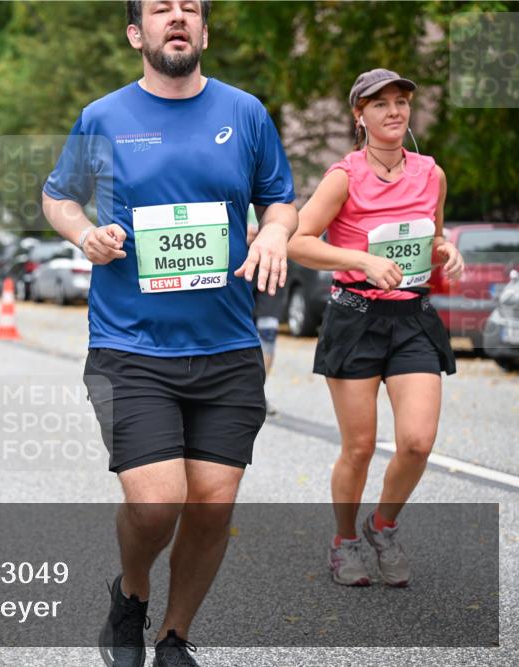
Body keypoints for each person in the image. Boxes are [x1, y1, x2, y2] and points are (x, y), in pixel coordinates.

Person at [41, 2, 297, 665]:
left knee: (212, 507)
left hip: (229, 348)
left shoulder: (245, 113)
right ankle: (129, 596)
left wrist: (273, 230)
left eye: (189, 8)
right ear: (137, 34)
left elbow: (280, 197)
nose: (176, 16)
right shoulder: (103, 117)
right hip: (131, 348)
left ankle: (175, 636)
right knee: (157, 505)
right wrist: (83, 233)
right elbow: (57, 196)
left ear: (204, 32)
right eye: (161, 8)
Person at [288, 69, 464, 588]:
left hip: (412, 318)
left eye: (401, 102)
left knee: (416, 441)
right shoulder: (343, 176)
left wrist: (446, 248)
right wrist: (360, 260)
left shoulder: (431, 173)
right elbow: (299, 241)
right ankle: (344, 541)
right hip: (356, 317)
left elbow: (428, 237)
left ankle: (382, 526)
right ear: (359, 116)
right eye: (380, 103)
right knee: (360, 447)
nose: (394, 111)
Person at [246, 205, 285, 416]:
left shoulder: (268, 188)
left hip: (269, 266)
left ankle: (259, 390)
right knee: (243, 329)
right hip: (238, 266)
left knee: (268, 331)